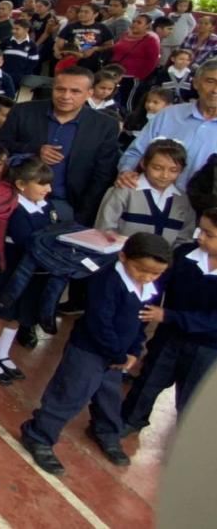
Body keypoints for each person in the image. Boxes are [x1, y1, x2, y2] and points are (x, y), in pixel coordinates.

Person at [19, 233, 172, 475]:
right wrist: (119, 354)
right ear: (123, 257)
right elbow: (99, 322)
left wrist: (133, 350)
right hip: (89, 351)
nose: (147, 277)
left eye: (155, 273)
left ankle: (105, 432)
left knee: (109, 398)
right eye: (141, 269)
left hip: (118, 354)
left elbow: (142, 322)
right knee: (69, 394)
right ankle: (39, 435)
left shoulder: (150, 286)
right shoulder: (107, 281)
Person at [121, 206, 217, 434]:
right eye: (199, 231)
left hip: (208, 347)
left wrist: (169, 315)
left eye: (209, 234)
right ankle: (128, 422)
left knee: (193, 398)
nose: (200, 238)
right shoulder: (184, 255)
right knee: (149, 380)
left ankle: (186, 439)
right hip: (170, 336)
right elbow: (154, 289)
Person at [0, 68, 121, 225]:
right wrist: (35, 150)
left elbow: (103, 174)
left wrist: (83, 216)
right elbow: (1, 147)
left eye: (75, 91)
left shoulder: (104, 125)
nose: (66, 96)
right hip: (16, 199)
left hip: (68, 206)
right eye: (60, 89)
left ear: (89, 93)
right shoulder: (23, 111)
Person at [0, 158, 56, 385]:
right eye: (42, 184)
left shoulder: (46, 207)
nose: (48, 189)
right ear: (21, 184)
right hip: (12, 270)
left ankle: (2, 354)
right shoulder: (13, 207)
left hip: (34, 273)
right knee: (0, 312)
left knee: (18, 315)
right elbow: (26, 239)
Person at [119, 59, 217, 190]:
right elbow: (136, 152)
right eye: (210, 81)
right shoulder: (169, 115)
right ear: (196, 83)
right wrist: (126, 172)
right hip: (156, 201)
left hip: (206, 208)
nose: (215, 90)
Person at [96, 139, 194, 245]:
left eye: (173, 170)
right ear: (144, 163)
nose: (165, 175)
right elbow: (104, 230)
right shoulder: (124, 191)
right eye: (157, 168)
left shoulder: (183, 200)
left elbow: (184, 239)